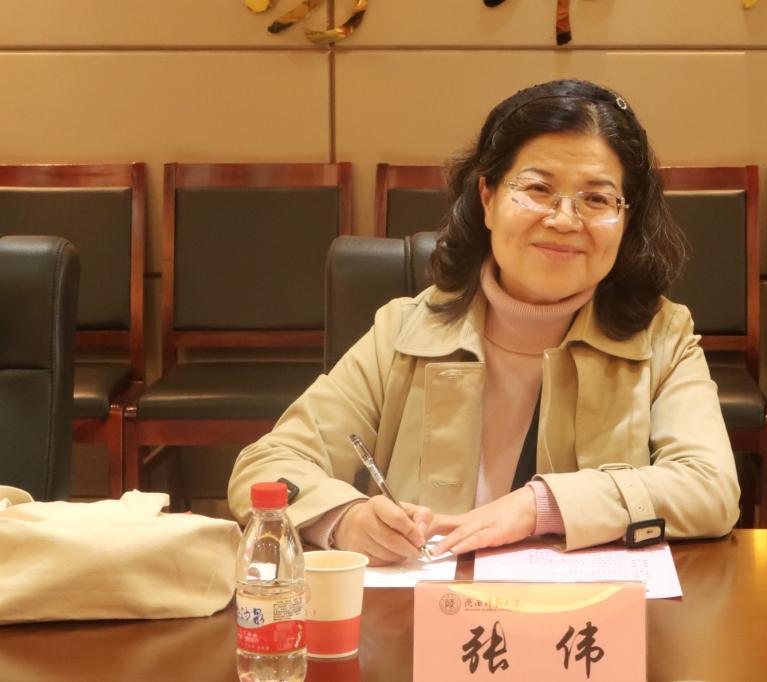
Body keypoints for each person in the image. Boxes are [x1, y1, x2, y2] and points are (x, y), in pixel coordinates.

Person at [227, 78, 740, 565]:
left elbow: (711, 488)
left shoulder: (662, 336)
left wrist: (542, 506)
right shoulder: (402, 332)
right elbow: (268, 466)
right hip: (423, 612)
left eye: (597, 199)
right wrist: (345, 518)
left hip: (589, 615)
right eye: (537, 189)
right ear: (488, 198)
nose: (564, 219)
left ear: (626, 220)